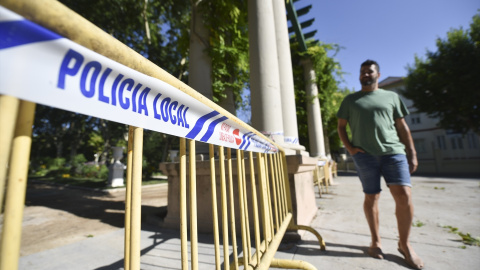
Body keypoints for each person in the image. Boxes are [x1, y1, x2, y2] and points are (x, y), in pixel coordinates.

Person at [336, 60, 424, 269]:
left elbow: (402, 127)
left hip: (393, 153)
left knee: (404, 195)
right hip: (365, 156)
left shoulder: (392, 97)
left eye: (370, 71)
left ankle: (405, 244)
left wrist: (411, 153)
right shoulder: (350, 100)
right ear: (359, 76)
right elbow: (341, 127)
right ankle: (375, 241)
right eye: (362, 72)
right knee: (371, 196)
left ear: (378, 74)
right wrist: (350, 148)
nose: (366, 74)